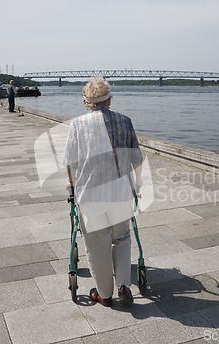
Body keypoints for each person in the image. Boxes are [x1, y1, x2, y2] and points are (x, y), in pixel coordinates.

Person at [62, 77, 143, 307]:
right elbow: (136, 158)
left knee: (98, 245)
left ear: (86, 102)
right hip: (120, 193)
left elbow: (70, 162)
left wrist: (71, 185)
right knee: (122, 238)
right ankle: (124, 286)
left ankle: (104, 294)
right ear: (109, 99)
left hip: (91, 194)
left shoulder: (77, 125)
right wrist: (137, 182)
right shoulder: (125, 121)